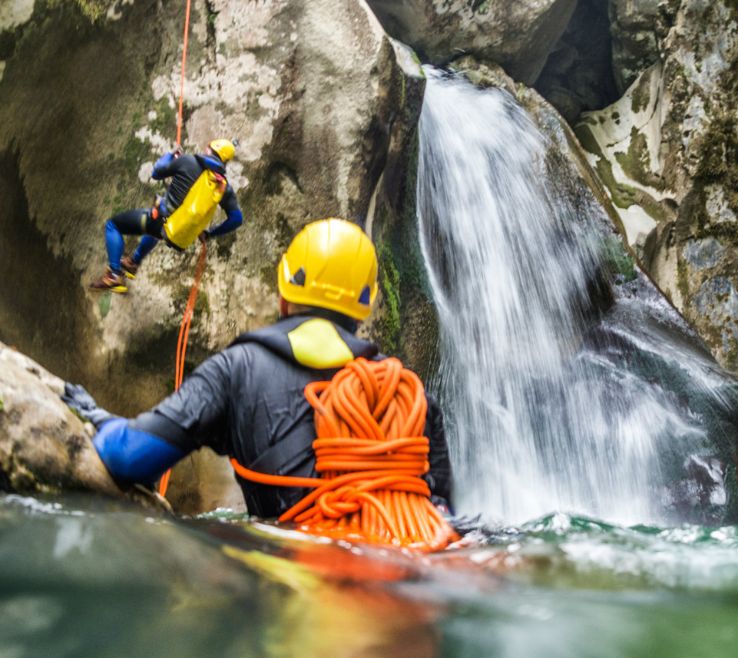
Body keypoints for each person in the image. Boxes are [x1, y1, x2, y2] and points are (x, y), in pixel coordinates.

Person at [66, 218, 453, 520]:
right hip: (405, 580)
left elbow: (130, 457)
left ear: (284, 292)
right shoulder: (410, 394)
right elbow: (443, 513)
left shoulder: (237, 370)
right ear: (364, 306)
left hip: (291, 581)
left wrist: (99, 418)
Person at [90, 138, 243, 293]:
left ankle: (114, 275)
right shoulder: (223, 187)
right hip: (175, 231)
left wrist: (171, 155)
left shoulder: (188, 161)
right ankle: (133, 262)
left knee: (113, 225)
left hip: (159, 220)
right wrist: (209, 234)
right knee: (156, 231)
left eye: (208, 147)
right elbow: (237, 219)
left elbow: (156, 172)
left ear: (211, 149)